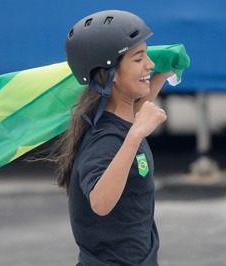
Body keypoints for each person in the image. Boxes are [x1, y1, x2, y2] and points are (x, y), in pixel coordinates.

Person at [50, 10, 174, 265]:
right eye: (138, 59)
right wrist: (138, 133)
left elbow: (129, 119)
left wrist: (161, 76)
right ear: (112, 74)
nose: (149, 64)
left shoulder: (121, 122)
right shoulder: (104, 139)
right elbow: (101, 202)